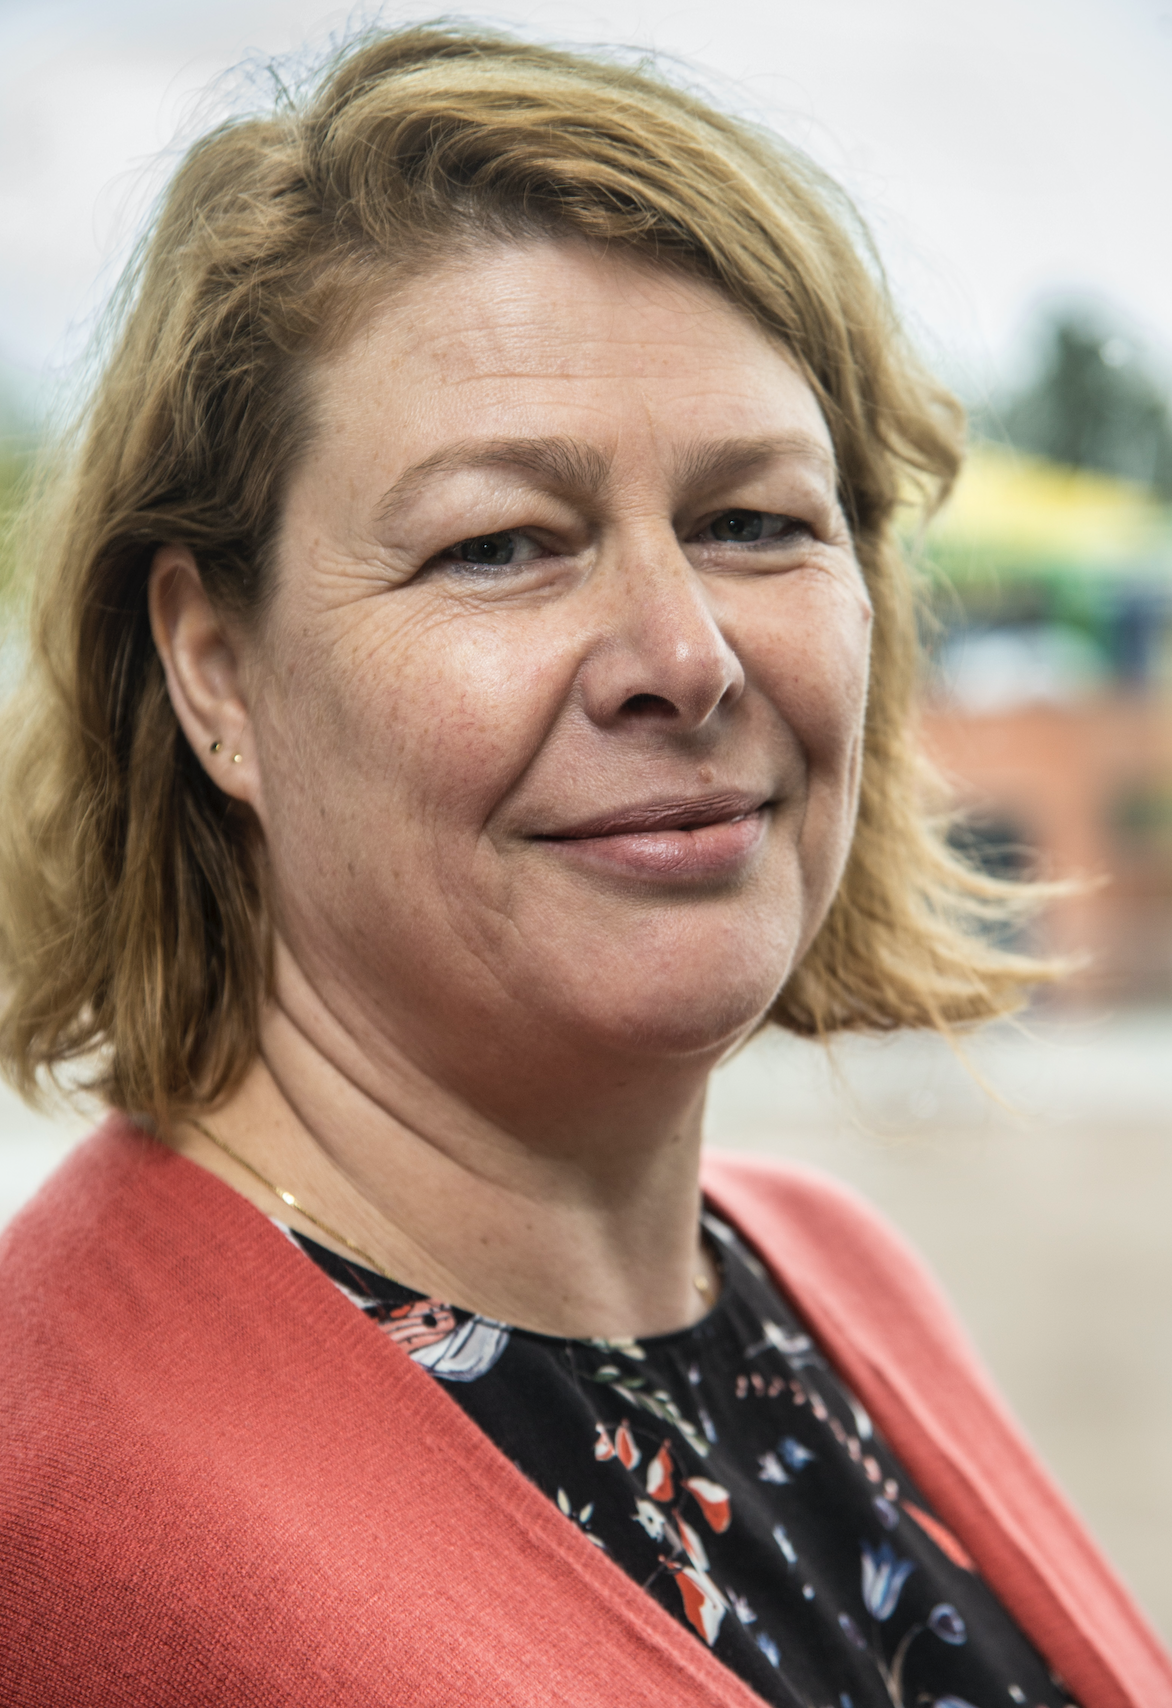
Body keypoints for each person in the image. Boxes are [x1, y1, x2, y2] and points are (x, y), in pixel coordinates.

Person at [0, 25, 1166, 1708]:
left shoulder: (834, 1276)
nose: (685, 657)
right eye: (501, 545)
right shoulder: (62, 1537)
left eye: (755, 521)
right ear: (217, 670)